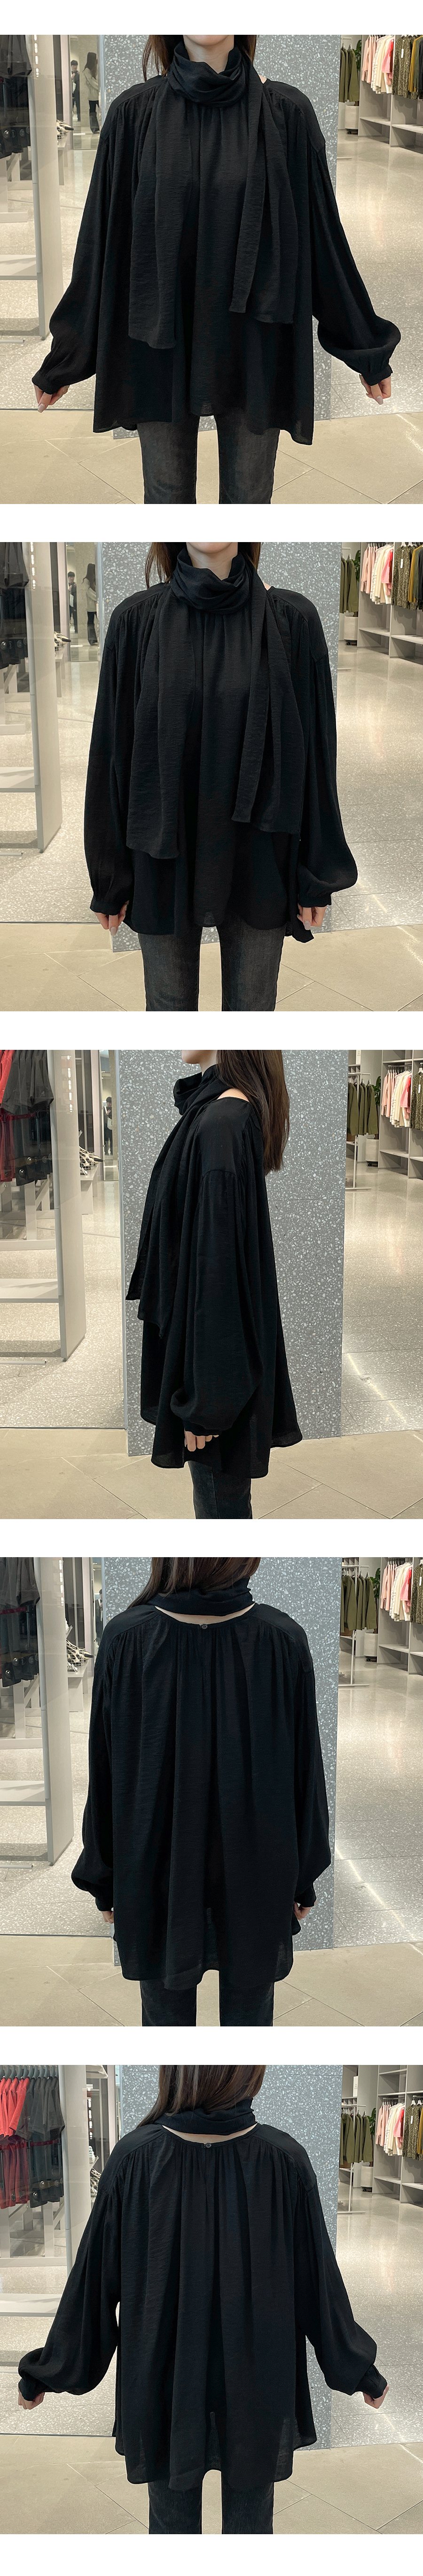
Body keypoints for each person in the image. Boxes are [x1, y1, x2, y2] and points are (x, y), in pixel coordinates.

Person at [17, 2063, 388, 2535]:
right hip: (254, 2374)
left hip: (165, 2372)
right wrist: (358, 2369)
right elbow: (318, 2285)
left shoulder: (135, 2157)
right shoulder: (283, 2159)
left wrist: (50, 2369)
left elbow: (93, 2284)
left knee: (174, 2527)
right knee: (249, 2527)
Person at [32, 34, 400, 501]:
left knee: (249, 498)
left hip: (255, 343)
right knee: (166, 497)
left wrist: (364, 344)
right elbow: (100, 245)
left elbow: (323, 239)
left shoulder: (287, 113)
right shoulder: (133, 114)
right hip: (160, 342)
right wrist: (69, 354)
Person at [85, 539, 357, 1010]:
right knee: (169, 1011)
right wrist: (110, 877)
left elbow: (316, 752)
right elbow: (112, 752)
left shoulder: (292, 620)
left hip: (261, 854)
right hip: (163, 856)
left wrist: (316, 870)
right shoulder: (136, 621)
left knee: (252, 1014)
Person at [71, 1554, 331, 2025]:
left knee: (167, 2024)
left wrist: (105, 1879)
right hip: (257, 1866)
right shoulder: (282, 1637)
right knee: (248, 2024)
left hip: (154, 1866)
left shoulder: (127, 1637)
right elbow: (305, 1774)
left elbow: (106, 1772)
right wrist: (304, 1876)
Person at [127, 1048, 300, 1520]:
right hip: (215, 1360)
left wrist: (208, 1402)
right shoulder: (222, 1112)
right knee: (221, 1505)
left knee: (220, 1513)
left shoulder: (222, 1122)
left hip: (215, 1371)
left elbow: (217, 1271)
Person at [82, 559, 98, 647]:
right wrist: (98, 599)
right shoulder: (86, 581)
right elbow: (89, 592)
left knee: (100, 623)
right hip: (91, 607)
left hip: (97, 606)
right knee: (91, 623)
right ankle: (92, 639)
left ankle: (100, 638)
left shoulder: (96, 580)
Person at [83, 51, 100, 136]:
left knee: (97, 111)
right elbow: (92, 82)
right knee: (93, 112)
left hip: (97, 94)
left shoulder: (95, 68)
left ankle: (98, 127)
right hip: (93, 95)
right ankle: (95, 128)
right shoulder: (87, 70)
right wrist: (100, 88)